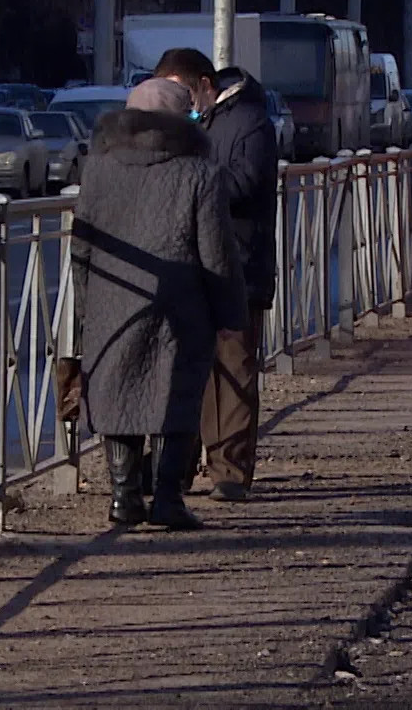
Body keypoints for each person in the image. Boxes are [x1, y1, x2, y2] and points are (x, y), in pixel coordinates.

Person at [71, 77, 247, 530]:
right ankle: (167, 498)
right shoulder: (198, 173)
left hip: (115, 296)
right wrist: (229, 312)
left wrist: (85, 306)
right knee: (177, 393)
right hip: (181, 301)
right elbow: (216, 251)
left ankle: (123, 497)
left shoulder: (99, 169)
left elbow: (83, 246)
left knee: (118, 391)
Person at [153, 47, 279, 504]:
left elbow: (246, 182)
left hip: (240, 265)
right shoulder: (199, 122)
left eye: (182, 92)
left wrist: (192, 182)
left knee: (234, 367)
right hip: (194, 267)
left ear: (205, 85)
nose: (179, 103)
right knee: (193, 369)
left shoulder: (250, 122)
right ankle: (179, 467)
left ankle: (229, 471)